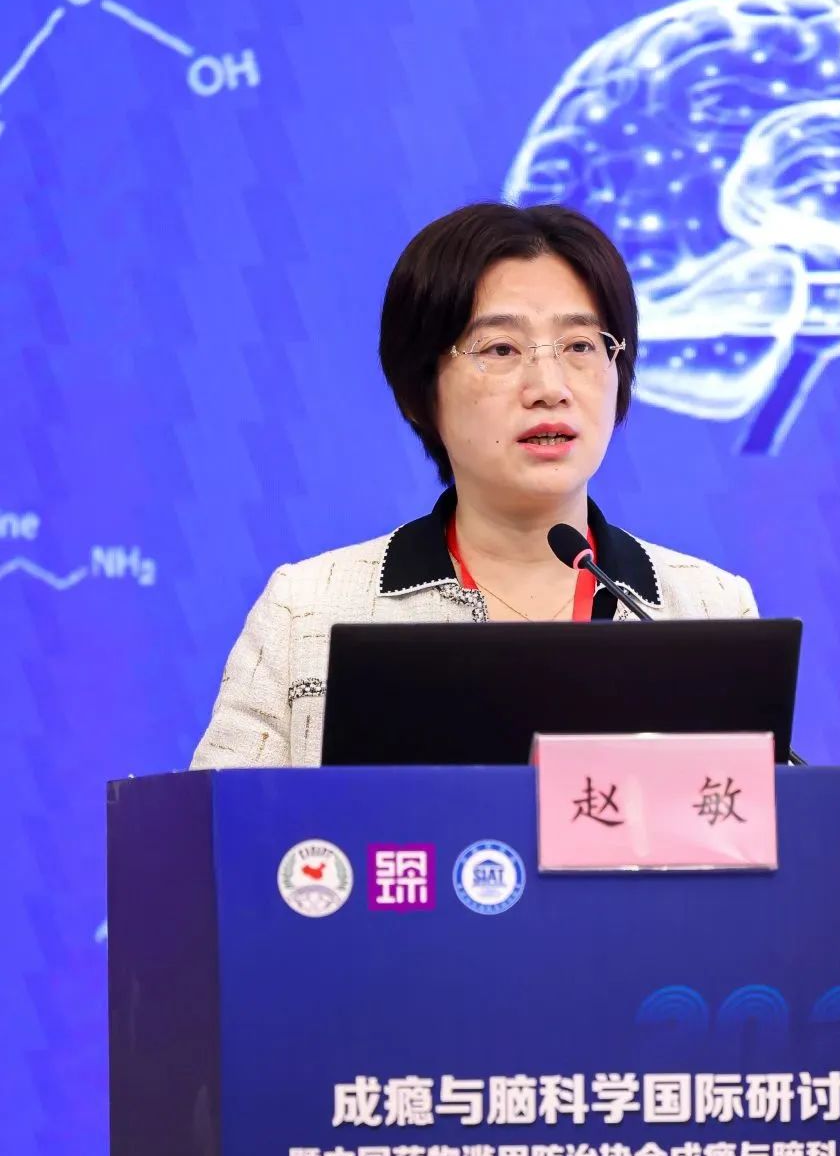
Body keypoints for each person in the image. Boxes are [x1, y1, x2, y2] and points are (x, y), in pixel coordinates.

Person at [190, 202, 759, 770]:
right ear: (421, 392)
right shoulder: (310, 610)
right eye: (500, 349)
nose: (550, 387)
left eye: (580, 346)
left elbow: (759, 816)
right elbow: (221, 820)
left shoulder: (709, 611)